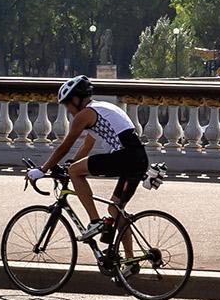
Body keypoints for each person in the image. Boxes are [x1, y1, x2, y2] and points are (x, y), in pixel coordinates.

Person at [28, 75, 148, 241]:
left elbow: (65, 146)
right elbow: (87, 145)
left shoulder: (85, 114)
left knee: (75, 172)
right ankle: (130, 263)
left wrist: (43, 169)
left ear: (77, 99)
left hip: (125, 157)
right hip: (138, 159)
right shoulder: (100, 109)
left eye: (67, 104)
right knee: (115, 211)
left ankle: (94, 221)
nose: (68, 110)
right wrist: (71, 164)